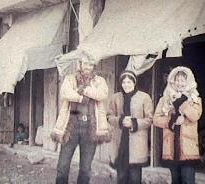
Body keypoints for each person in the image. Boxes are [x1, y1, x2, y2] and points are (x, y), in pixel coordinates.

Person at [51, 54, 110, 184]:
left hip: (90, 128)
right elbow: (65, 92)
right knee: (63, 165)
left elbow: (102, 94)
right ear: (80, 64)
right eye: (85, 64)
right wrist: (80, 98)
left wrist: (85, 90)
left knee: (85, 168)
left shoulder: (100, 81)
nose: (88, 67)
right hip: (71, 127)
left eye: (90, 64)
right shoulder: (70, 79)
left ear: (93, 66)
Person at [153, 66, 202, 184]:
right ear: (172, 81)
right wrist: (171, 121)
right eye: (177, 80)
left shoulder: (195, 99)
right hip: (171, 146)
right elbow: (155, 119)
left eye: (183, 80)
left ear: (188, 81)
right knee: (175, 180)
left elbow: (195, 115)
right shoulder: (165, 99)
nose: (180, 83)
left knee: (188, 180)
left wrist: (183, 105)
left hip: (187, 147)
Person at [107, 70, 153, 184]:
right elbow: (109, 116)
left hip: (136, 142)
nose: (126, 85)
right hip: (121, 142)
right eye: (124, 82)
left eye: (129, 82)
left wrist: (134, 123)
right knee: (121, 177)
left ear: (134, 82)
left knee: (135, 178)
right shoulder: (115, 97)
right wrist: (120, 121)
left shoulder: (144, 97)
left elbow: (150, 119)